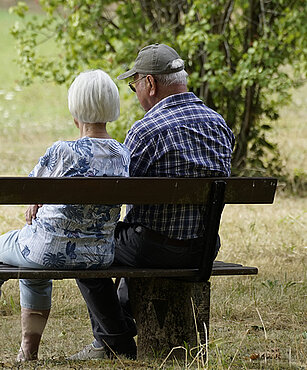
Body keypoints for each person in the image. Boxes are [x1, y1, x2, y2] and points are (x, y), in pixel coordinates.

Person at [69, 43, 235, 360]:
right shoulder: (219, 125)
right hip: (203, 249)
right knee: (133, 235)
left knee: (85, 245)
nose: (136, 95)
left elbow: (117, 194)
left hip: (155, 249)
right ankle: (119, 328)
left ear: (150, 83)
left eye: (134, 87)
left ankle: (114, 340)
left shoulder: (147, 130)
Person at [0, 69, 131, 364]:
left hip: (46, 251)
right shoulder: (122, 154)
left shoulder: (62, 152)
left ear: (75, 109)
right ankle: (28, 353)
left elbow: (28, 191)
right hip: (98, 256)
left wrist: (36, 201)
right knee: (32, 267)